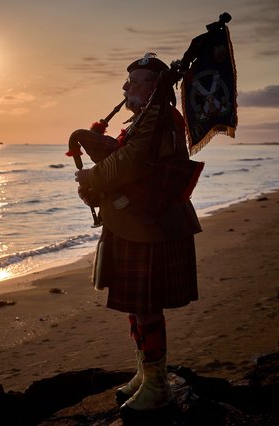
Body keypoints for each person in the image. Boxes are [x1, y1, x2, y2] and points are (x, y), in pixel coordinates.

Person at [73, 53, 202, 416]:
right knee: (138, 305)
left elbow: (130, 163)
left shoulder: (159, 116)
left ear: (156, 85)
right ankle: (146, 374)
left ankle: (158, 386)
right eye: (127, 80)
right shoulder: (149, 118)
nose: (126, 86)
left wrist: (91, 179)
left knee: (146, 307)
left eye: (136, 80)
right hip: (139, 223)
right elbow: (126, 156)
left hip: (150, 226)